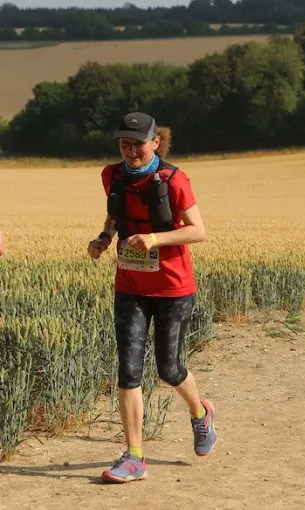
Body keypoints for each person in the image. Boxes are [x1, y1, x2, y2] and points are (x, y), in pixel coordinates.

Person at [87, 112, 216, 483]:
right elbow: (115, 216)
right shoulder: (110, 175)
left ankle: (200, 412)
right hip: (129, 286)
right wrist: (103, 239)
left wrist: (156, 239)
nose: (130, 150)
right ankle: (134, 456)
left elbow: (198, 231)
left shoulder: (174, 180)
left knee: (168, 368)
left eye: (138, 143)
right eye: (124, 143)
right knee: (128, 371)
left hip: (173, 287)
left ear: (155, 142)